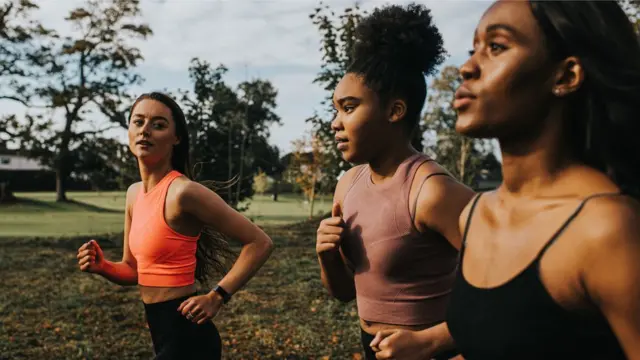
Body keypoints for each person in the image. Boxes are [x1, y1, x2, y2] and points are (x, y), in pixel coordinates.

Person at [371, 1, 640, 359]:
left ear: (565, 76)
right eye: (473, 49)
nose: (467, 68)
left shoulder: (605, 229)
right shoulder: (477, 214)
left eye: (496, 47)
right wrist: (426, 342)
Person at [315, 4, 475, 360]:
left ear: (394, 111)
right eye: (335, 108)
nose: (335, 123)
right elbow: (344, 292)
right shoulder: (348, 184)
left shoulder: (431, 191)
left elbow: (513, 289)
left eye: (349, 107)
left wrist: (433, 341)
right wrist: (327, 256)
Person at [76, 92, 274, 359]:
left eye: (158, 125)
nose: (145, 130)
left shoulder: (183, 193)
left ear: (176, 138)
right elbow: (133, 270)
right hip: (160, 331)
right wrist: (103, 267)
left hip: (190, 336)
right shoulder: (134, 194)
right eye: (138, 122)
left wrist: (217, 296)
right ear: (129, 130)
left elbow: (260, 242)